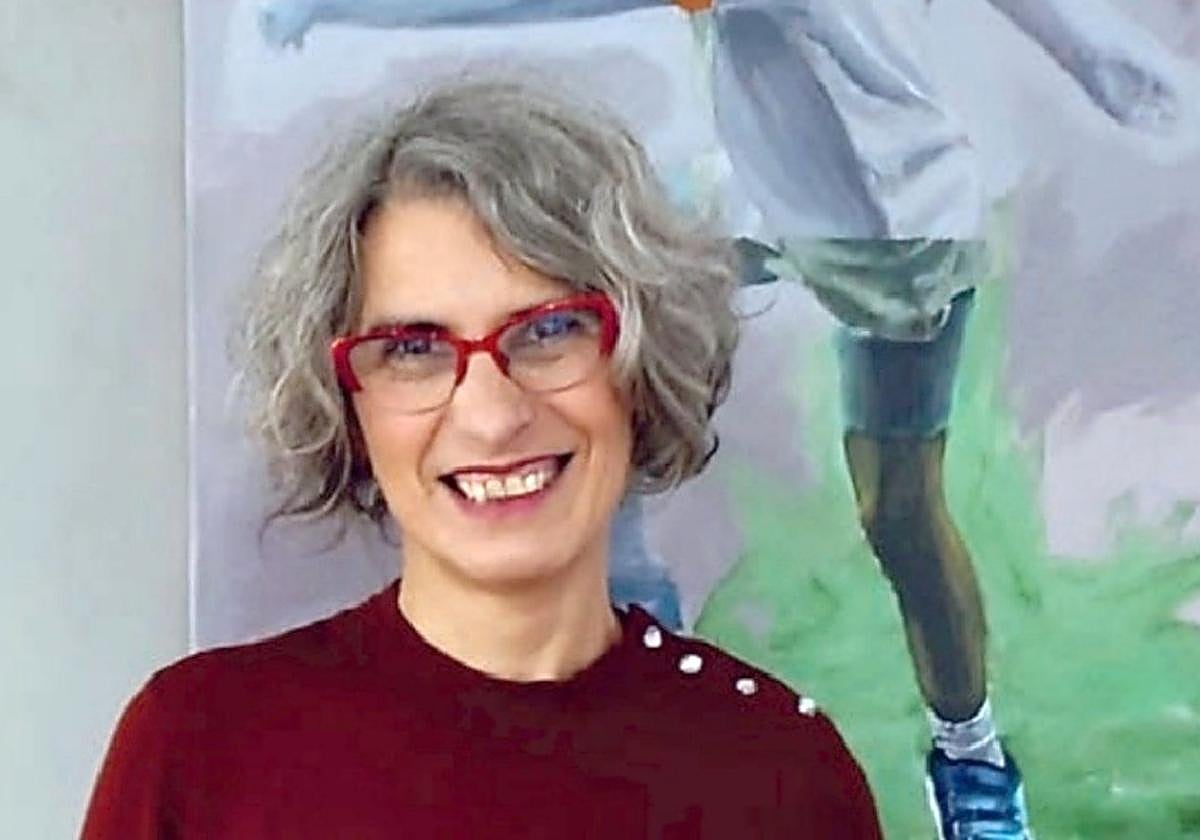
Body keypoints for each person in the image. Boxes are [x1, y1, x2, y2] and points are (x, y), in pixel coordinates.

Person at [256, 2, 1189, 837]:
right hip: (747, 202)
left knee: (899, 514)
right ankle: (633, 663)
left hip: (898, 224)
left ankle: (972, 758)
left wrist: (1103, 54)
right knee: (594, 397)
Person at [81, 79, 882, 838]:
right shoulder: (200, 746)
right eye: (414, 348)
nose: (493, 416)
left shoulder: (783, 777)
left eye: (549, 331)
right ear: (348, 406)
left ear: (640, 363)